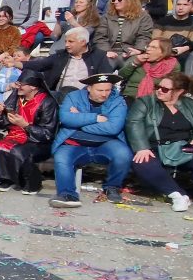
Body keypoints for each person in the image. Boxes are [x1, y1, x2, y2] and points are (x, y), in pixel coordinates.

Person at [126, 71, 193, 212]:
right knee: (142, 161)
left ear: (179, 91)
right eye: (158, 87)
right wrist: (142, 147)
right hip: (154, 147)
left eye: (165, 89)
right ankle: (177, 195)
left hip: (184, 146)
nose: (159, 91)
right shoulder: (145, 102)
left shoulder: (192, 105)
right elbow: (133, 123)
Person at [49, 73, 132, 208]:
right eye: (100, 90)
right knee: (62, 157)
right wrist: (95, 118)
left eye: (108, 90)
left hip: (106, 142)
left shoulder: (118, 101)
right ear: (89, 88)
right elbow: (65, 118)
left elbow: (113, 128)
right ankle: (67, 194)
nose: (105, 94)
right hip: (74, 142)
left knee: (123, 154)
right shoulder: (73, 97)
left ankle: (112, 187)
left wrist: (79, 120)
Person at [0, 70, 58, 194]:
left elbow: (47, 133)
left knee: (19, 151)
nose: (18, 87)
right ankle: (6, 179)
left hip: (38, 141)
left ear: (33, 86)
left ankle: (31, 182)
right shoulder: (16, 98)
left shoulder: (47, 102)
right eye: (18, 84)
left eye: (21, 84)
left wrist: (26, 125)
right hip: (15, 135)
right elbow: (2, 125)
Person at [11, 27, 112, 96]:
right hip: (60, 95)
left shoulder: (98, 56)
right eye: (65, 41)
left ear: (83, 42)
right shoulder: (61, 55)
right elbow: (39, 64)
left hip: (86, 98)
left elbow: (106, 79)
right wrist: (15, 63)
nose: (66, 45)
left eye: (70, 41)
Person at [94, 0, 153, 68]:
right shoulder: (106, 17)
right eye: (114, 0)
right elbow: (100, 37)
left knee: (131, 67)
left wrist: (138, 49)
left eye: (120, 0)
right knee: (104, 66)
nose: (116, 2)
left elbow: (144, 36)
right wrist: (106, 51)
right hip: (109, 52)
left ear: (130, 1)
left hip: (131, 52)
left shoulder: (143, 17)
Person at [119, 38, 181, 103]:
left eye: (153, 47)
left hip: (156, 99)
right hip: (130, 96)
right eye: (148, 46)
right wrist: (135, 63)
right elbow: (121, 76)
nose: (148, 49)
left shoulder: (172, 65)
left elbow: (172, 86)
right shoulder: (137, 58)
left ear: (163, 52)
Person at [154, 0, 193, 65]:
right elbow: (155, 39)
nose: (181, 8)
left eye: (185, 5)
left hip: (183, 54)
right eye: (178, 4)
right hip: (162, 52)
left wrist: (182, 49)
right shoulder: (162, 21)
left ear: (192, 7)